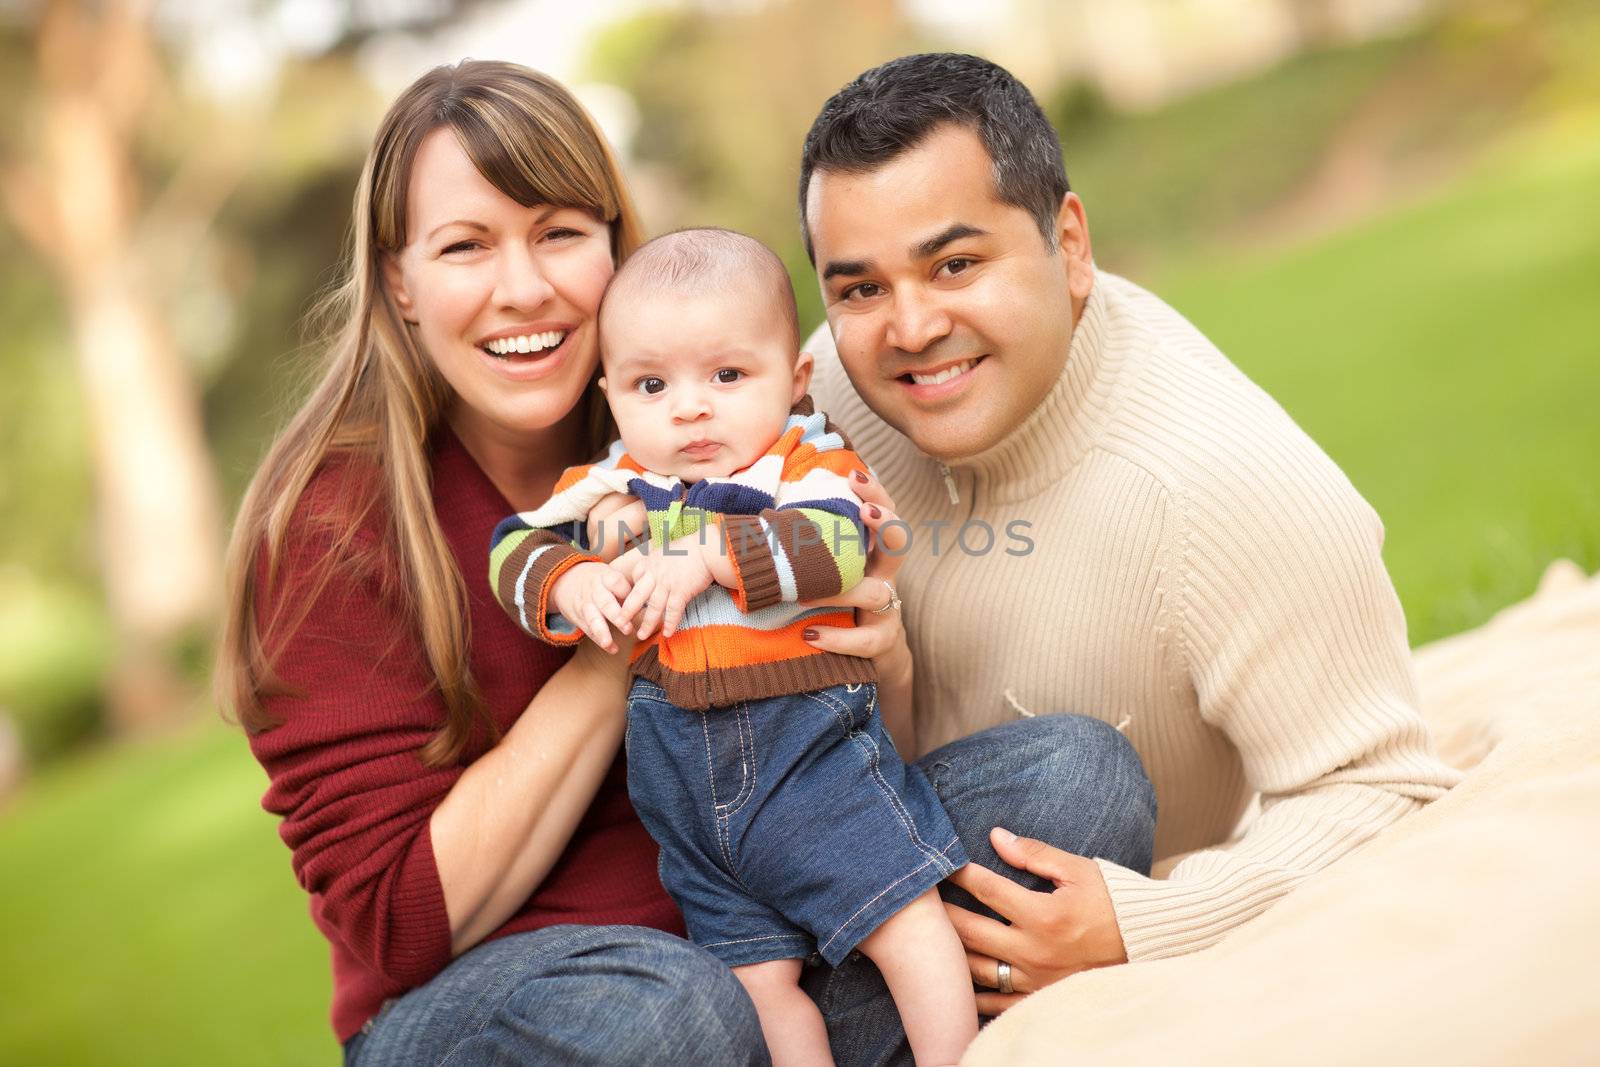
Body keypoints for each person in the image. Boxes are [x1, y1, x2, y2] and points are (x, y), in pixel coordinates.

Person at [218, 59, 1155, 1066]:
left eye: (559, 234)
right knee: (672, 1014)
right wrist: (631, 621)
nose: (523, 287)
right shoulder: (327, 531)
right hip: (528, 1007)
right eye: (465, 247)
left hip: (759, 925)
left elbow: (848, 757)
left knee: (1071, 782)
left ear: (615, 252)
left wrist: (878, 660)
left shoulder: (709, 419)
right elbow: (400, 925)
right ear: (399, 281)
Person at [797, 52, 1463, 1015]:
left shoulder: (1225, 486)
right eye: (859, 289)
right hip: (817, 868)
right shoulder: (816, 400)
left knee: (1077, 779)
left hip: (996, 895)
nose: (909, 327)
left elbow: (1385, 788)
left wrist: (1152, 920)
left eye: (955, 264)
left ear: (1069, 244)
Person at [489, 227, 977, 1067]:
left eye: (726, 375)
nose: (689, 407)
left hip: (810, 763)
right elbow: (512, 547)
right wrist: (568, 582)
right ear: (612, 396)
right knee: (756, 985)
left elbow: (843, 543)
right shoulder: (613, 484)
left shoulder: (802, 463)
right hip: (684, 794)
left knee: (907, 917)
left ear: (792, 383)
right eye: (652, 383)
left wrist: (711, 553)